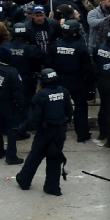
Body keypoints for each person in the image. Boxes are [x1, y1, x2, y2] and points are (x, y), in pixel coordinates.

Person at [16, 68, 73, 196]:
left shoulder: (40, 96)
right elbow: (69, 112)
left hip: (45, 132)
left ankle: (24, 180)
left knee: (35, 157)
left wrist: (21, 129)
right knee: (54, 158)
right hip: (59, 132)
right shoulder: (63, 92)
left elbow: (33, 119)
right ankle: (52, 187)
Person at [45, 19, 95, 142]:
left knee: (57, 108)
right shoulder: (80, 47)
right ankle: (82, 134)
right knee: (80, 108)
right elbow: (88, 69)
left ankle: (56, 134)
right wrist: (90, 87)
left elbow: (48, 64)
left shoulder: (55, 46)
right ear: (74, 33)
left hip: (59, 81)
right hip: (77, 81)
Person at [0, 46, 25, 164]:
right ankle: (11, 156)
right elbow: (18, 90)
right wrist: (20, 105)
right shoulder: (12, 71)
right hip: (9, 104)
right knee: (12, 130)